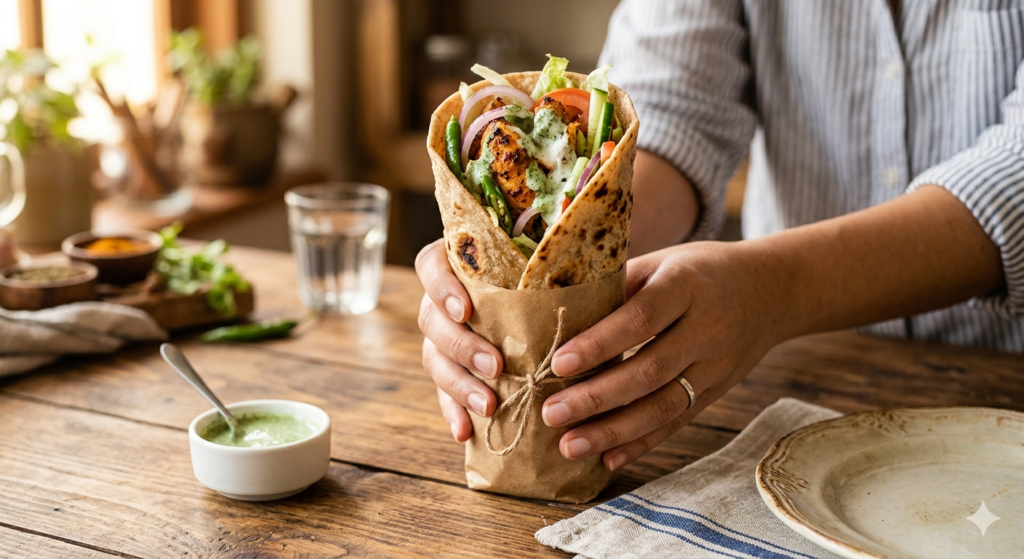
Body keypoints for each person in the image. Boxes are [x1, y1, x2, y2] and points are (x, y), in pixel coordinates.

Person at [416, 0, 1024, 473]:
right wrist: (527, 271)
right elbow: (675, 113)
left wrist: (774, 290)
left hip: (1001, 382)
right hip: (783, 393)